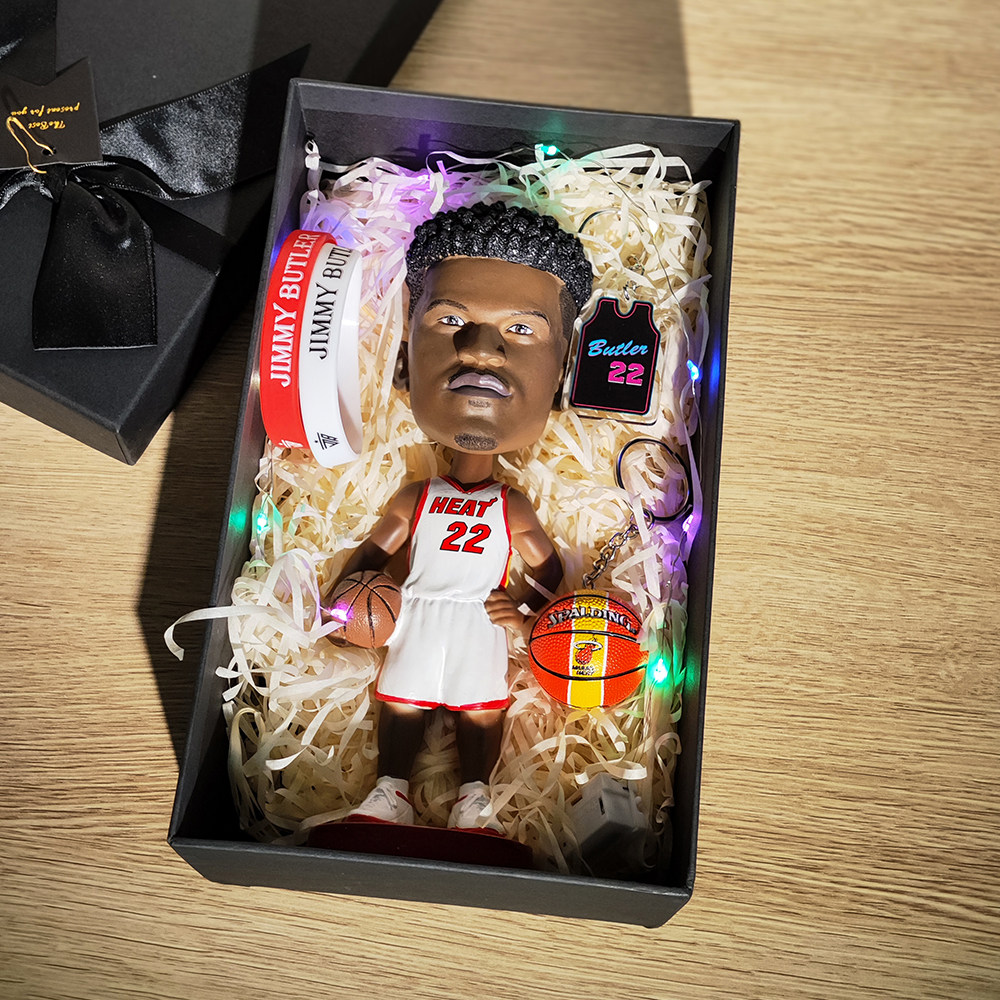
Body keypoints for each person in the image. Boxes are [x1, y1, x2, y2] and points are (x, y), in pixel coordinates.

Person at [327, 201, 592, 833]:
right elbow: (370, 558)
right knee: (401, 700)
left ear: (562, 372)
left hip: (478, 614)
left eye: (522, 329)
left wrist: (524, 615)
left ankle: (476, 798)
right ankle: (390, 790)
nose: (482, 348)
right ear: (404, 350)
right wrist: (343, 610)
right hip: (417, 610)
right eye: (450, 319)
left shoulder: (512, 505)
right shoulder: (415, 497)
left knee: (481, 706)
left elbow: (550, 574)